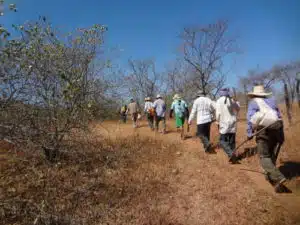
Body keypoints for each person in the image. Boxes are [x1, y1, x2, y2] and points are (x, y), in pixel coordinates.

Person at [247, 85, 287, 193]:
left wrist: (249, 133)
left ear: (254, 95)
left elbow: (250, 119)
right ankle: (270, 177)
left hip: (263, 131)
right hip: (277, 129)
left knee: (264, 156)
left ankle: (278, 177)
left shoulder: (253, 102)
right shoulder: (272, 101)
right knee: (271, 154)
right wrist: (281, 136)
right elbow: (278, 117)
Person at [216, 88, 240, 163]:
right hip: (232, 122)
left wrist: (217, 122)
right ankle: (232, 156)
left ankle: (231, 154)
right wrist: (236, 101)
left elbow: (218, 114)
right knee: (232, 141)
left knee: (222, 141)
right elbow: (238, 109)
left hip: (224, 123)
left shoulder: (219, 101)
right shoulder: (232, 100)